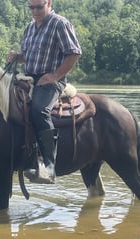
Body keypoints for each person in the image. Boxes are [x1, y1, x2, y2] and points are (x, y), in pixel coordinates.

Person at [8, 0, 82, 184]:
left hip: (51, 80)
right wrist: (18, 57)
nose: (34, 11)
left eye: (39, 7)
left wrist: (55, 76)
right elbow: (28, 56)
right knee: (8, 104)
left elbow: (74, 52)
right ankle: (4, 155)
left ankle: (49, 166)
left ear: (49, 2)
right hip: (29, 78)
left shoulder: (60, 23)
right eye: (31, 7)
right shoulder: (30, 27)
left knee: (39, 110)